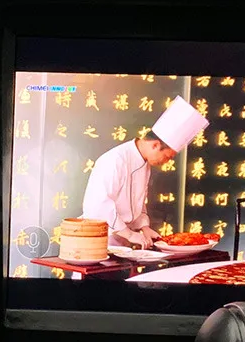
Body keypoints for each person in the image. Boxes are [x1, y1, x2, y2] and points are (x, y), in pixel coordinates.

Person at [81, 95, 208, 248]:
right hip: (99, 239)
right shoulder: (115, 159)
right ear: (155, 145)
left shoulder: (144, 162)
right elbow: (98, 205)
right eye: (167, 157)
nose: (166, 162)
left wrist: (144, 228)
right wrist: (129, 234)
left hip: (122, 241)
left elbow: (137, 202)